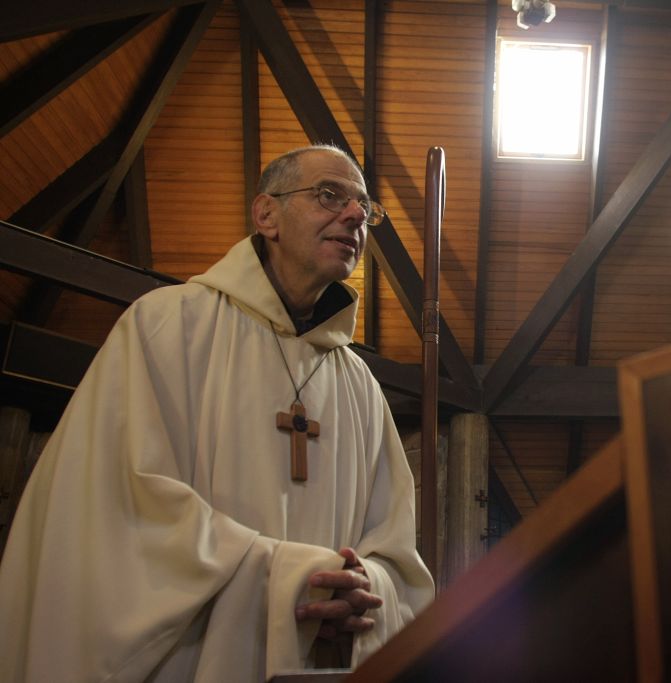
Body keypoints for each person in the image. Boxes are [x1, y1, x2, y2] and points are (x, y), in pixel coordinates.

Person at [0, 144, 434, 681]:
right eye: (329, 195)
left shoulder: (360, 384)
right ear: (266, 215)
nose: (354, 216)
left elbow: (394, 553)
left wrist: (360, 590)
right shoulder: (167, 325)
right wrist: (289, 580)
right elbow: (119, 511)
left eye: (364, 209)